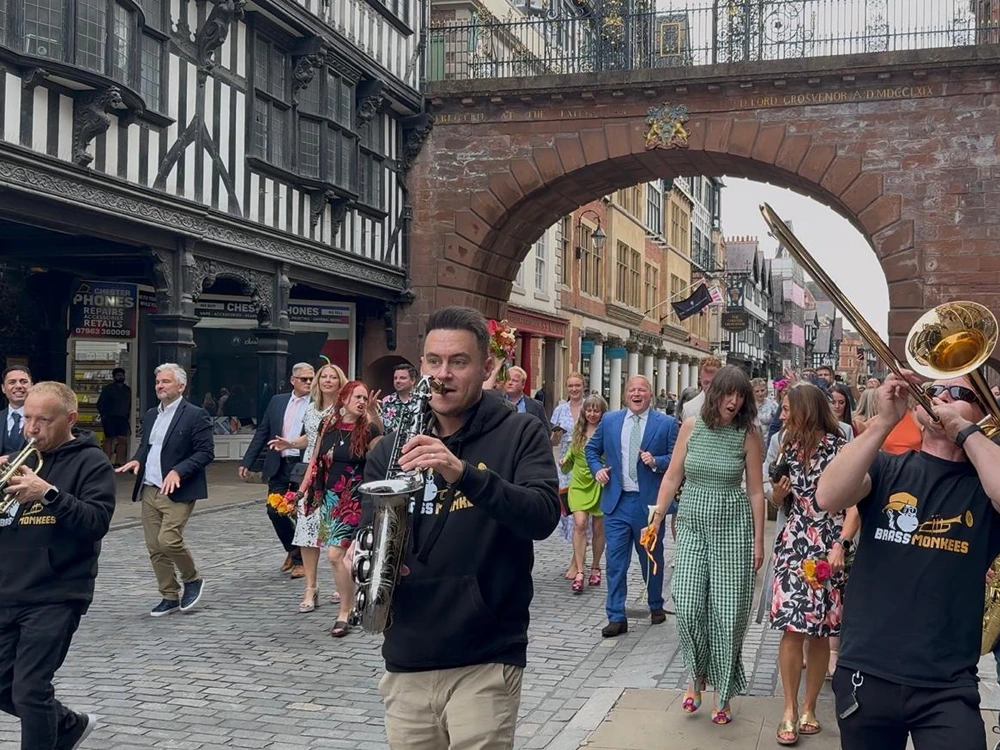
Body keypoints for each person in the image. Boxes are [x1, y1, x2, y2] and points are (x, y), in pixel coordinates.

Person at [361, 306, 560, 750]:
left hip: (485, 656)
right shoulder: (390, 448)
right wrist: (371, 556)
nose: (442, 375)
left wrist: (464, 474)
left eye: (458, 362)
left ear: (487, 369)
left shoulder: (521, 432)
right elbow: (369, 527)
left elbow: (543, 514)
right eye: (433, 361)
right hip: (407, 656)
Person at [816, 371, 1000, 749]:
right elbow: (829, 495)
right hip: (866, 672)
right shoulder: (887, 467)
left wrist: (965, 432)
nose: (941, 397)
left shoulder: (984, 483)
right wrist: (884, 421)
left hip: (947, 685)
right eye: (933, 390)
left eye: (958, 392)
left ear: (982, 413)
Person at [0, 381, 116, 750]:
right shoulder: (18, 459)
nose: (31, 429)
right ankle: (67, 726)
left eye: (43, 421)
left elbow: (96, 521)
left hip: (57, 592)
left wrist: (48, 494)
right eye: (27, 419)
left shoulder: (91, 462)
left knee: (30, 690)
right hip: (8, 589)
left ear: (70, 419)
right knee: (4, 685)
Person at [648, 365, 765, 725]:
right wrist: (656, 519)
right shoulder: (691, 426)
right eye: (728, 393)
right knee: (686, 604)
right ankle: (696, 673)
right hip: (693, 521)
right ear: (715, 395)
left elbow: (756, 491)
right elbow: (672, 476)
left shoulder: (749, 434)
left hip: (733, 525)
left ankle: (723, 692)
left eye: (740, 395)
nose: (734, 401)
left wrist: (759, 541)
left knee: (728, 615)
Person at [768, 383, 859, 745]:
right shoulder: (786, 446)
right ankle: (789, 709)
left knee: (821, 629)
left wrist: (841, 545)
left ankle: (809, 708)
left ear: (805, 409)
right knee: (792, 627)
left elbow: (855, 506)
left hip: (828, 543)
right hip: (794, 542)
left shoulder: (841, 449)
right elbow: (778, 500)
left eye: (787, 408)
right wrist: (778, 495)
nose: (782, 414)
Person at [585, 375, 679, 637]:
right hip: (617, 501)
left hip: (648, 504)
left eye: (642, 390)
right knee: (615, 562)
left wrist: (656, 461)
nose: (637, 394)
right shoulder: (610, 421)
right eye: (632, 390)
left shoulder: (666, 423)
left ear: (651, 394)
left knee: (651, 557)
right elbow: (591, 450)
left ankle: (655, 604)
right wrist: (597, 469)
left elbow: (676, 458)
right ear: (625, 395)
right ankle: (616, 616)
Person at [117, 363, 214, 617]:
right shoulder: (151, 414)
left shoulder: (195, 415)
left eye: (165, 382)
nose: (160, 386)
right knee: (155, 546)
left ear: (181, 386)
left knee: (168, 539)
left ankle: (192, 578)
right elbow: (147, 446)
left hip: (178, 489)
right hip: (150, 488)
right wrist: (137, 460)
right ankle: (169, 595)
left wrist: (178, 470)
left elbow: (205, 453)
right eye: (158, 382)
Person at [298, 381, 380, 636]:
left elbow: (381, 451)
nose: (362, 402)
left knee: (336, 555)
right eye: (357, 397)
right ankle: (352, 603)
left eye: (364, 398)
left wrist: (374, 415)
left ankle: (345, 611)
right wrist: (302, 491)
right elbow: (315, 460)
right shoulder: (329, 425)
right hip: (331, 499)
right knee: (338, 557)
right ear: (344, 399)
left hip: (356, 499)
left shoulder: (368, 428)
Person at [239, 363, 315, 578]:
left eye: (311, 379)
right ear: (293, 380)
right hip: (279, 464)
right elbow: (263, 432)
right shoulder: (277, 401)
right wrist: (247, 461)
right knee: (274, 510)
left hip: (303, 465)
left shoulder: (317, 404)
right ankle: (293, 549)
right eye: (304, 379)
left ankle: (301, 561)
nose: (308, 382)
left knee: (301, 513)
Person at [287, 363, 346, 612]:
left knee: (335, 531)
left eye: (333, 377)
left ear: (340, 382)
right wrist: (290, 443)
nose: (328, 380)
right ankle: (311, 587)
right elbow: (310, 439)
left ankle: (341, 582)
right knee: (307, 530)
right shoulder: (311, 409)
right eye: (324, 377)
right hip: (312, 475)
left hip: (335, 473)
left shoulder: (343, 409)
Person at [560, 394, 608, 594]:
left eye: (596, 410)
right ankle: (580, 570)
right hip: (579, 483)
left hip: (600, 483)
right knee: (579, 524)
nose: (592, 414)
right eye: (589, 410)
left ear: (602, 412)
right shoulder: (578, 431)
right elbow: (571, 457)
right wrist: (564, 461)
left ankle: (595, 566)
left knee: (598, 528)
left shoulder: (607, 431)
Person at [551, 373, 590, 579]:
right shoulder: (560, 410)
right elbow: (554, 442)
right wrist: (555, 436)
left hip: (585, 467)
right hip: (565, 468)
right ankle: (577, 556)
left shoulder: (589, 407)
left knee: (582, 517)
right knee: (569, 514)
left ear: (584, 386)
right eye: (570, 386)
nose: (574, 389)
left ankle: (577, 562)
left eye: (577, 385)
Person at [96, 367, 131, 466]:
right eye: (118, 375)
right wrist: (104, 415)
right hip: (110, 418)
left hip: (123, 418)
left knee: (122, 440)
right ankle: (106, 462)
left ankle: (119, 462)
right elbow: (100, 404)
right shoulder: (108, 389)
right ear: (114, 376)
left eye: (122, 375)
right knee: (109, 439)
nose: (120, 377)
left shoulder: (127, 390)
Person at [503, 366, 550, 434]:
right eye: (508, 379)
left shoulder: (536, 405)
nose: (510, 383)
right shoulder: (498, 403)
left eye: (515, 380)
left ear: (523, 384)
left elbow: (545, 432)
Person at [0, 365, 31, 455]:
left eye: (24, 382)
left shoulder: (43, 419)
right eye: (12, 382)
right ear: (3, 388)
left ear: (32, 386)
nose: (18, 386)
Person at [680, 356, 721, 421]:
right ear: (700, 379)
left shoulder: (731, 405)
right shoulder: (689, 408)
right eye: (706, 383)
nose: (710, 388)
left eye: (714, 382)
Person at [381, 363, 417, 434]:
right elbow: (380, 429)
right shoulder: (386, 401)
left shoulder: (421, 401)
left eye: (402, 378)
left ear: (412, 380)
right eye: (395, 378)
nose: (397, 381)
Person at [752, 377, 779, 450]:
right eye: (757, 391)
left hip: (768, 442)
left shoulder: (772, 405)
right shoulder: (748, 406)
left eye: (762, 390)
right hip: (753, 442)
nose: (760, 393)